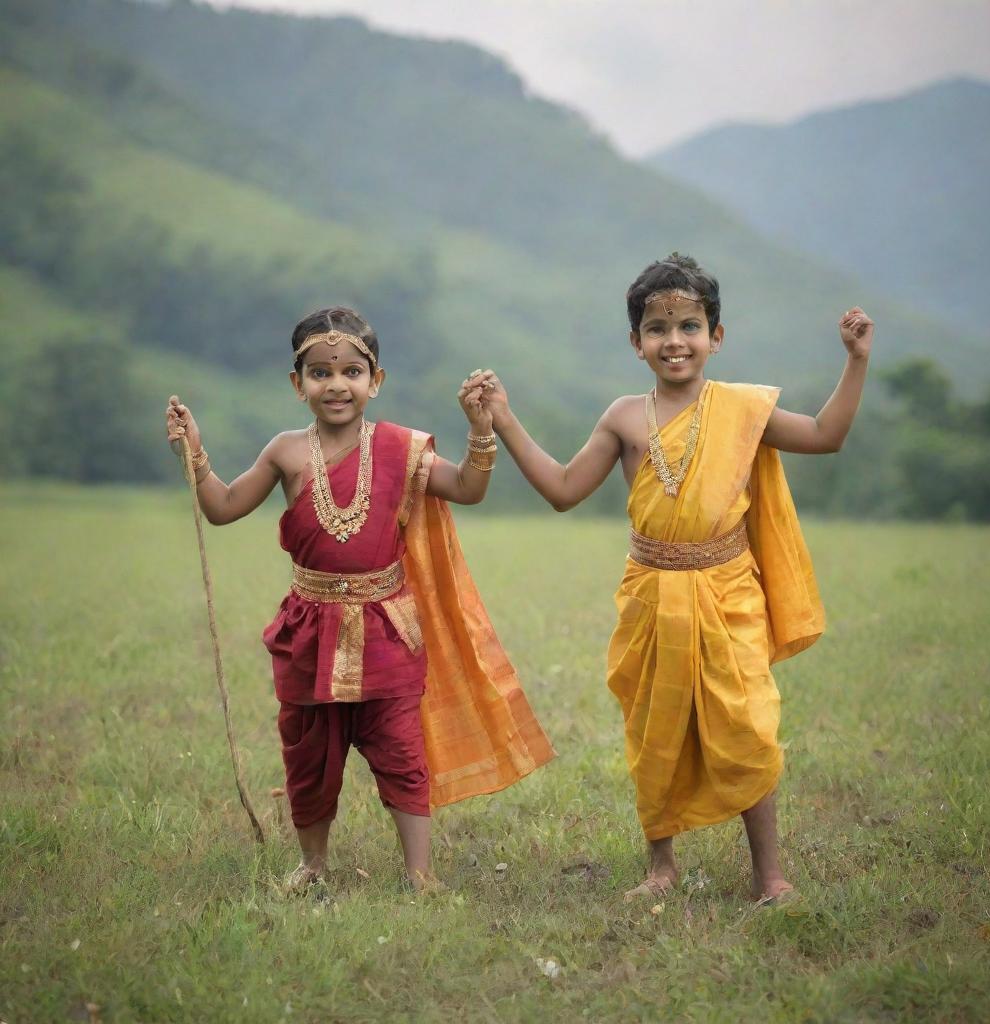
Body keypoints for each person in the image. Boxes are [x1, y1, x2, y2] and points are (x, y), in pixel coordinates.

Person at [470, 253, 873, 902]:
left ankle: (770, 876)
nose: (674, 341)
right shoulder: (624, 417)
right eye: (658, 328)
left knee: (747, 726)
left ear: (717, 337)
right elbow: (564, 489)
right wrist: (506, 420)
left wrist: (855, 360)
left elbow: (826, 434)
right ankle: (661, 868)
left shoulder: (744, 409)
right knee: (654, 727)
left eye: (689, 326)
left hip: (727, 591)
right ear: (636, 343)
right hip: (652, 594)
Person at [166, 306, 554, 894]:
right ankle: (313, 866)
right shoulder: (285, 453)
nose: (336, 385)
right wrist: (193, 453)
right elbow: (221, 508)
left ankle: (420, 876)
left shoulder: (403, 448)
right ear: (298, 386)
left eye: (351, 371)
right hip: (308, 632)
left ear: (376, 381)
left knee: (401, 749)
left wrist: (480, 429)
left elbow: (469, 491)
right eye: (320, 373)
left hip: (388, 630)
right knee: (309, 754)